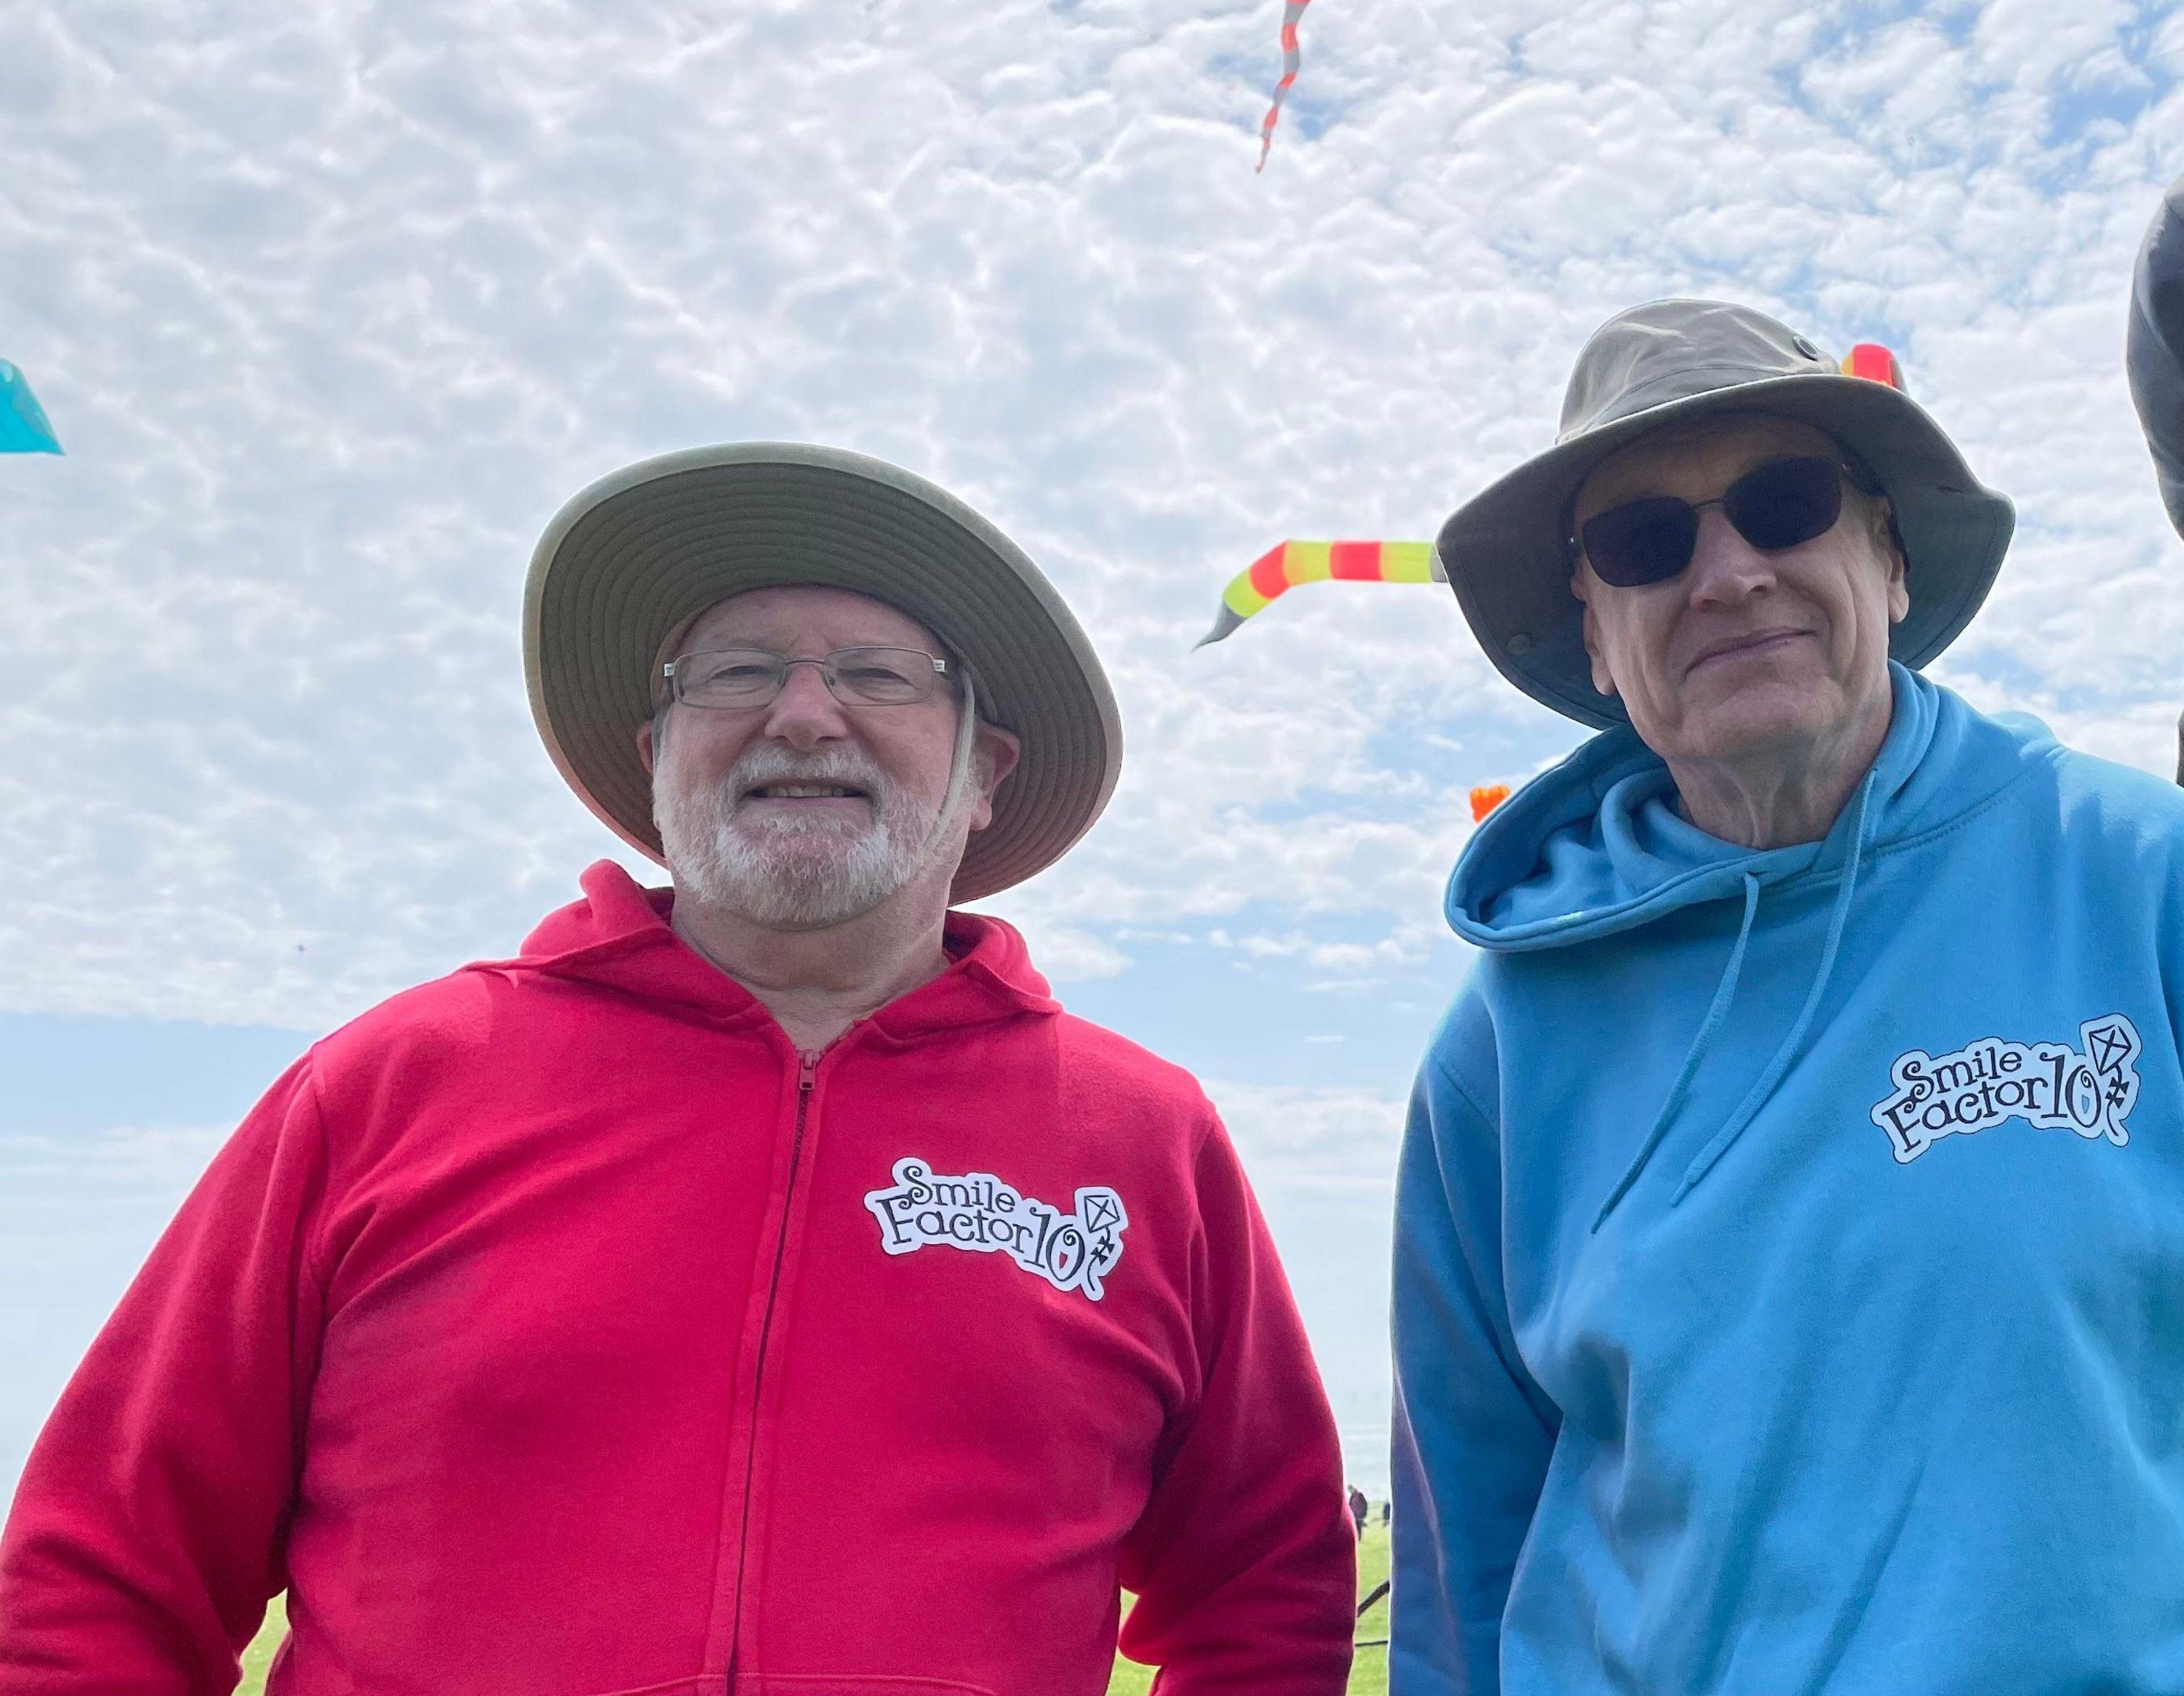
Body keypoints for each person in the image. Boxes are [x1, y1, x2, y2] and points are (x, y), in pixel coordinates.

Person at [0, 444, 1355, 1694]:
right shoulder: (388, 1086)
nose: (807, 716)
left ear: (983, 771)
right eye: (736, 671)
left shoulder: (1144, 1139)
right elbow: (102, 1575)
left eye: (879, 674)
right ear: (656, 760)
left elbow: (1264, 1593)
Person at [1390, 301, 2184, 1694]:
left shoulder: (2163, 893)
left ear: (1890, 561)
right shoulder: (1496, 1056)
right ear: (1595, 639)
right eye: (1642, 542)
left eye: (1786, 506)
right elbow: (1464, 1580)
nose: (1726, 574)